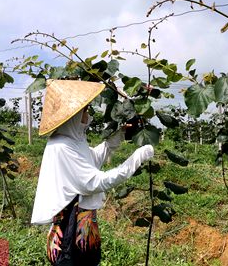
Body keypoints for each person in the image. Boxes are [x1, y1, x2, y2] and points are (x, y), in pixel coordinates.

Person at [30, 80, 154, 266]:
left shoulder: (73, 140)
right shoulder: (62, 147)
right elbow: (96, 182)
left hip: (83, 225)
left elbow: (94, 157)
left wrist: (120, 133)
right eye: (85, 110)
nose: (87, 114)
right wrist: (136, 159)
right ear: (72, 115)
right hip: (70, 232)